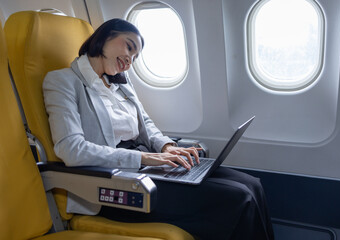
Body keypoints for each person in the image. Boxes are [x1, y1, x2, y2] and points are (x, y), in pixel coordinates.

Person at [43, 18, 274, 240]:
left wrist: (167, 147)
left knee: (252, 185)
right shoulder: (62, 81)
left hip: (146, 165)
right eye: (129, 46)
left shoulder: (121, 84)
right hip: (113, 185)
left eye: (135, 56)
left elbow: (146, 125)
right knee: (238, 198)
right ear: (104, 37)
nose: (130, 60)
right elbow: (70, 149)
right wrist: (146, 158)